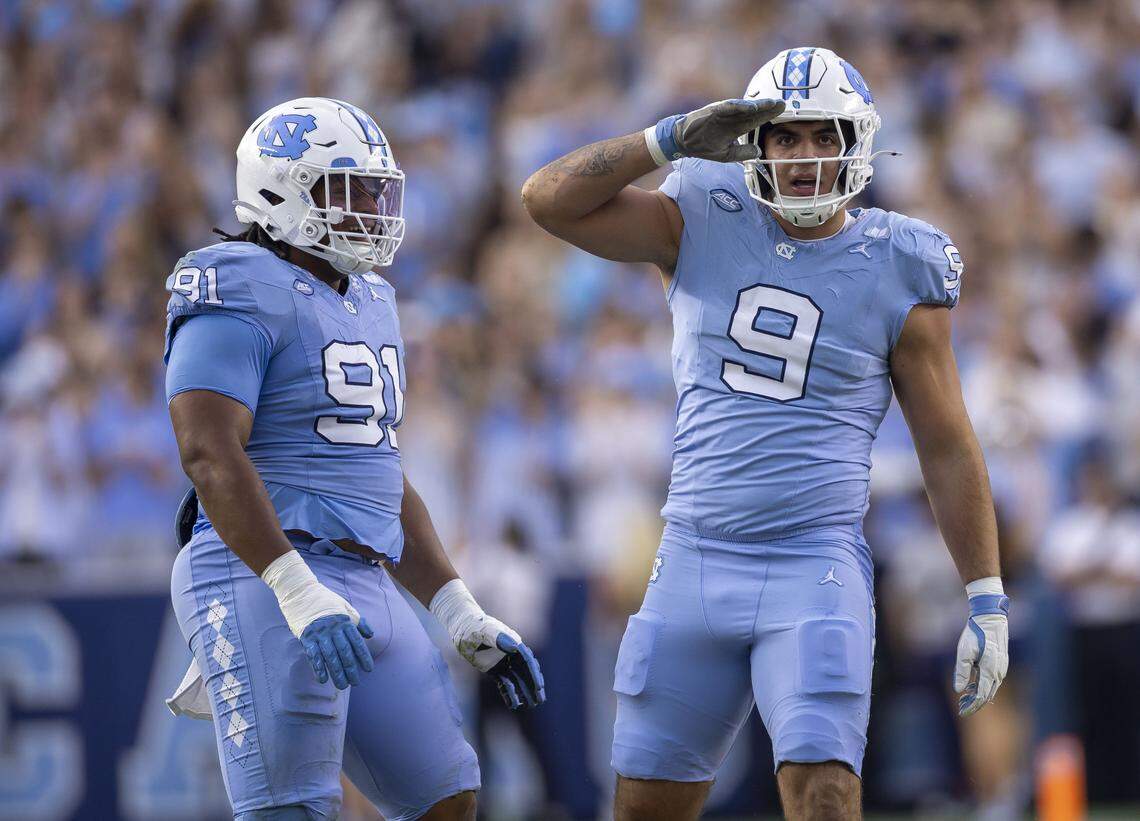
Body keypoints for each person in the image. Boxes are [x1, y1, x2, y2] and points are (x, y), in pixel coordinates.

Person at [522, 47, 1008, 820]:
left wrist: (985, 594)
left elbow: (946, 442)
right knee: (646, 807)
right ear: (753, 144)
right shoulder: (701, 212)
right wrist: (668, 139)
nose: (807, 156)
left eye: (825, 136)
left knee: (824, 791)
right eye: (786, 137)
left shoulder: (900, 260)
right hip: (693, 556)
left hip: (813, 562)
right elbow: (547, 200)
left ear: (859, 143)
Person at [163, 97, 544, 821]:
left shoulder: (372, 296)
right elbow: (206, 451)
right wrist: (295, 588)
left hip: (364, 573)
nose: (373, 205)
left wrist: (456, 606)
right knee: (293, 809)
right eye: (351, 188)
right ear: (282, 191)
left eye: (377, 188)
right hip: (261, 569)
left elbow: (376, 473)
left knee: (446, 793)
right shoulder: (232, 281)